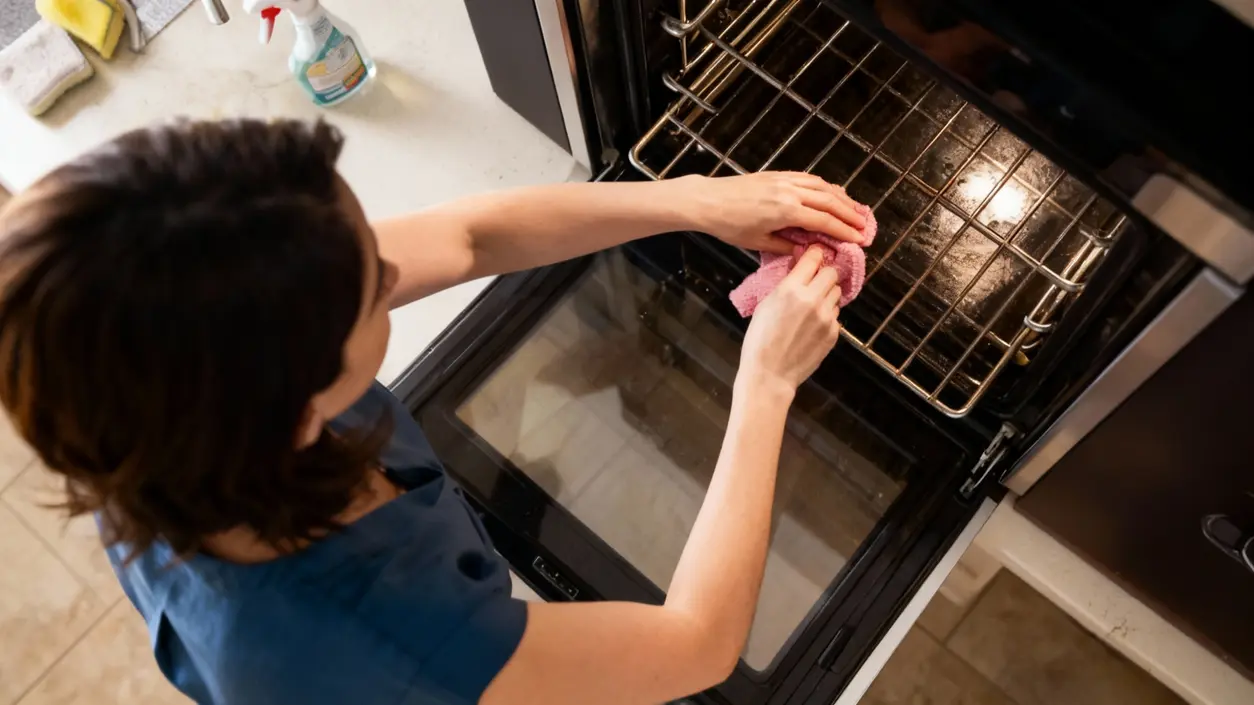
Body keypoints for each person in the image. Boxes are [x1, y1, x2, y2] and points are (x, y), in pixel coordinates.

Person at [0, 118, 864, 705]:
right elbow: (697, 643)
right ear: (293, 412)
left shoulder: (139, 402)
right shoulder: (381, 637)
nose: (393, 270)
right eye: (376, 292)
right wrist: (767, 384)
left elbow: (470, 236)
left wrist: (691, 199)